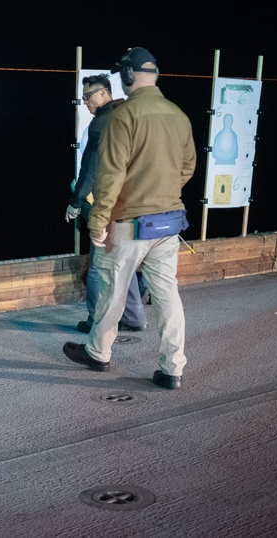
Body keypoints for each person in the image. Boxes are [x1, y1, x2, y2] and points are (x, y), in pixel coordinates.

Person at [62, 47, 196, 390]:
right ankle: (172, 369)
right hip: (169, 222)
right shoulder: (178, 114)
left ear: (127, 77)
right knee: (168, 295)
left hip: (129, 223)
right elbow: (187, 168)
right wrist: (161, 190)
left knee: (113, 291)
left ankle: (98, 353)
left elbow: (110, 176)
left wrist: (97, 222)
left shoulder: (124, 117)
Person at [67, 74, 148, 334]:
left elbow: (90, 170)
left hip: (111, 205)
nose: (85, 103)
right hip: (139, 203)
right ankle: (134, 316)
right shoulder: (133, 115)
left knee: (97, 263)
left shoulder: (101, 123)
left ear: (103, 93)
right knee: (125, 260)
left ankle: (96, 321)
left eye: (87, 97)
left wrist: (75, 202)